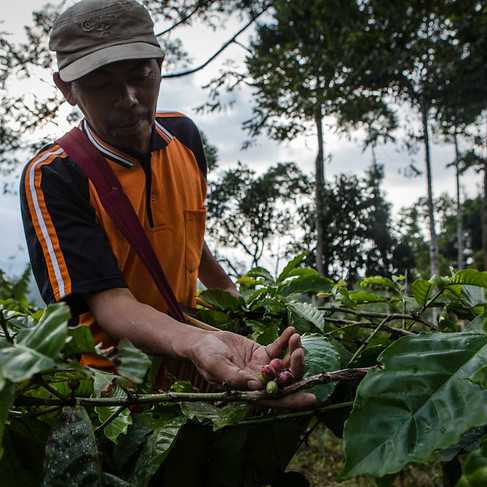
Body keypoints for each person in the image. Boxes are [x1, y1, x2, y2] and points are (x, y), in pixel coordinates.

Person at [20, 0, 314, 408]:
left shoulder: (184, 138)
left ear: (159, 65)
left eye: (140, 75)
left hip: (189, 355)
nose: (127, 98)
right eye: (101, 84)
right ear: (66, 88)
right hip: (111, 388)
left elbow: (185, 226)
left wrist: (227, 292)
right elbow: (111, 304)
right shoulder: (55, 176)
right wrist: (198, 343)